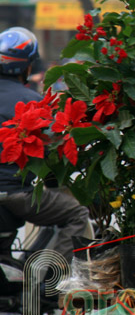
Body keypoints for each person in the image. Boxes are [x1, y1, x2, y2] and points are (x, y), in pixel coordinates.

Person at [0, 27, 90, 262]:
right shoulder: (33, 101)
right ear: (28, 66)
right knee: (77, 215)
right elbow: (51, 150)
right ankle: (52, 285)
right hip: (15, 193)